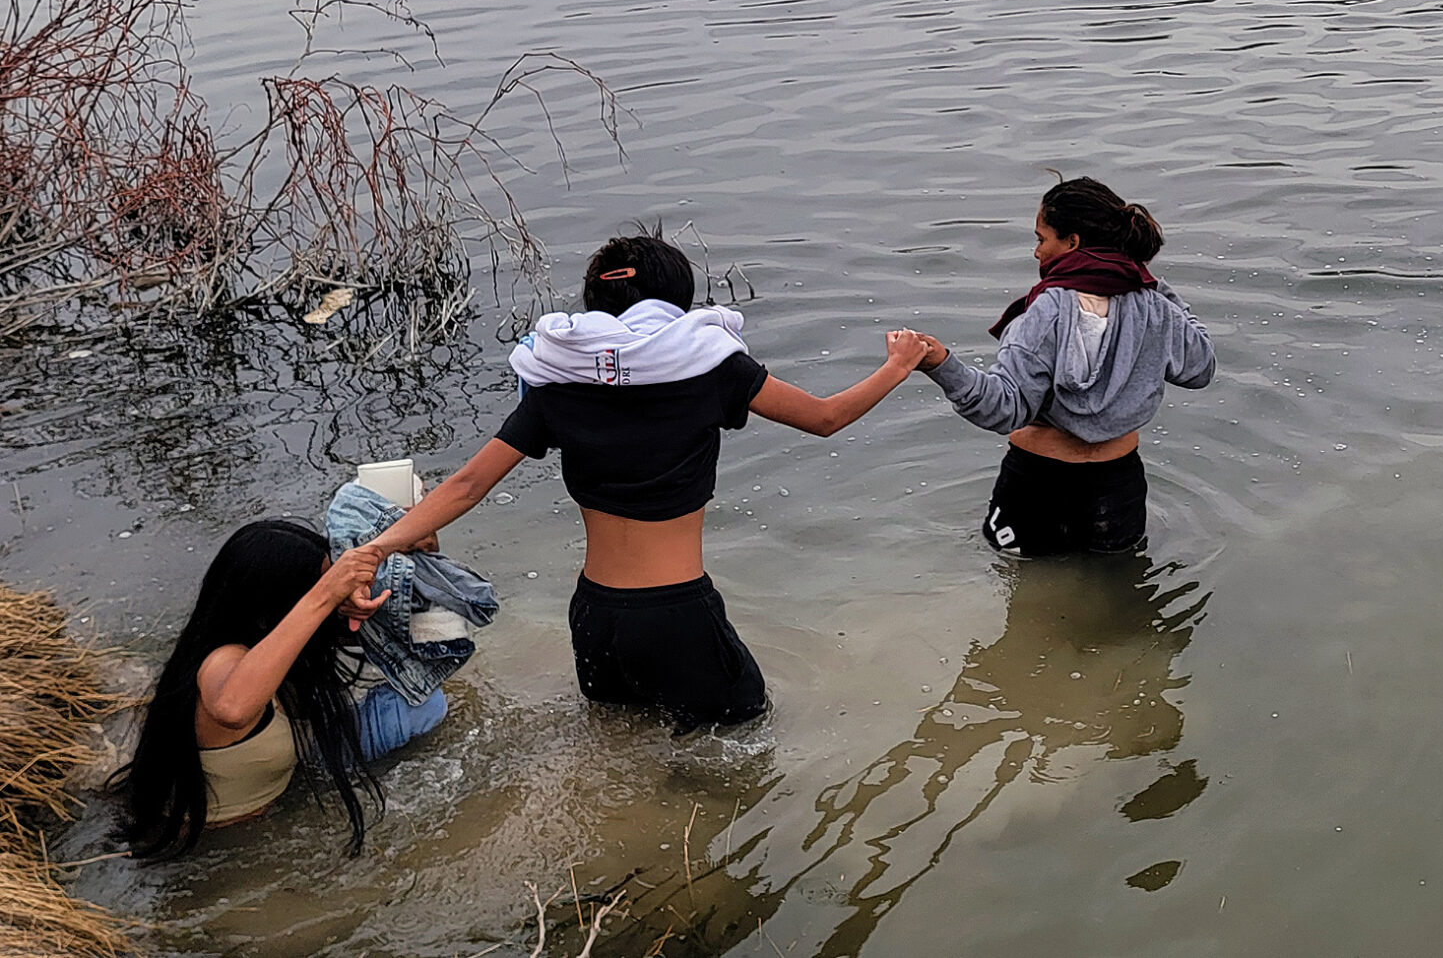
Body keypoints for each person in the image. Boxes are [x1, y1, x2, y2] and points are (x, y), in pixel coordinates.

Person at [367, 232, 931, 734]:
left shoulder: (556, 378)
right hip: (675, 615)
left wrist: (376, 549)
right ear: (677, 299)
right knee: (744, 756)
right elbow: (825, 418)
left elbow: (466, 486)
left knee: (616, 749)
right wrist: (898, 365)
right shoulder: (712, 365)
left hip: (594, 617)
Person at [907, 177, 1216, 558]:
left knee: (1026, 598)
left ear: (1072, 243)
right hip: (1119, 488)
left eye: (1041, 239)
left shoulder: (1045, 311)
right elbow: (1200, 367)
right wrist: (1158, 289)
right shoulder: (1154, 306)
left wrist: (941, 365)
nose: (1037, 252)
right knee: (1120, 599)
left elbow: (1004, 408)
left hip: (1037, 484)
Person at [118, 521, 442, 859]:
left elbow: (402, 637)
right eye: (318, 591)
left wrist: (400, 544)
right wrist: (323, 596)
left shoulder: (272, 642)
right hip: (220, 847)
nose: (336, 601)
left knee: (422, 700)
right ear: (272, 608)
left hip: (278, 790)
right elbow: (231, 709)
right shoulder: (221, 662)